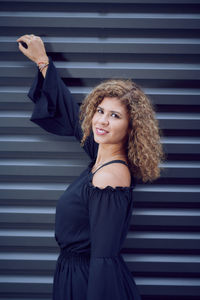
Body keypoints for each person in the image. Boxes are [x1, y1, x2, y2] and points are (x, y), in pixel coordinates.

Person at [17, 34, 165, 300]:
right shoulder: (101, 154)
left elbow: (103, 260)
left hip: (87, 283)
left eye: (115, 116)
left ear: (131, 128)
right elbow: (74, 118)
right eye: (99, 111)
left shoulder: (109, 176)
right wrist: (42, 62)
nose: (102, 121)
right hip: (74, 275)